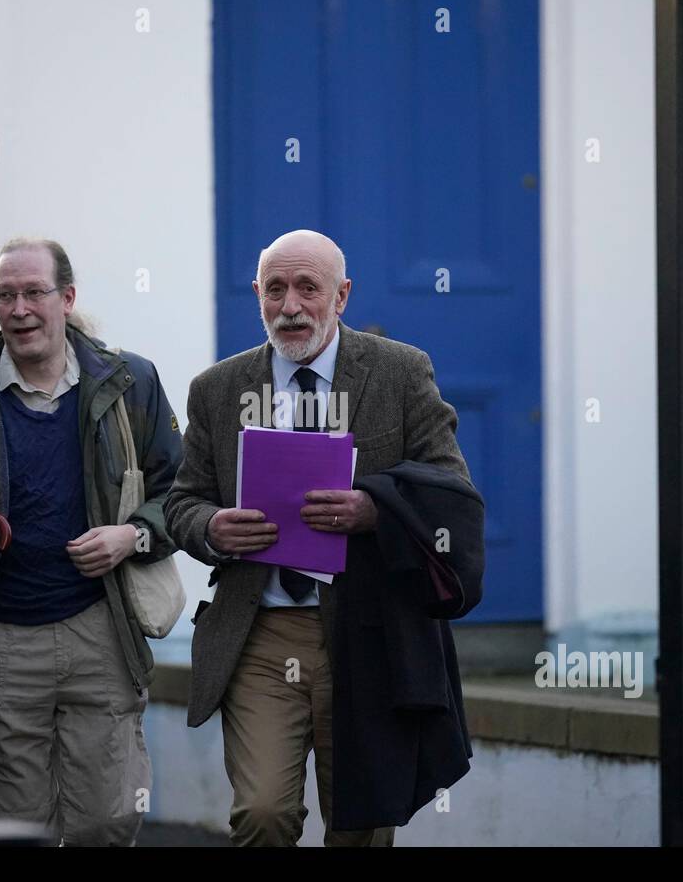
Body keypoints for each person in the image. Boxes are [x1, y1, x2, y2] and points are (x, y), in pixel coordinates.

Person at [165, 228, 482, 846]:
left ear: (342, 296)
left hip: (366, 632)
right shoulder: (217, 389)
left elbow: (450, 489)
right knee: (262, 813)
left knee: (359, 826)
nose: (290, 307)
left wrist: (373, 509)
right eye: (275, 289)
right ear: (256, 294)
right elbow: (182, 501)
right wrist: (211, 527)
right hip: (260, 631)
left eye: (308, 288)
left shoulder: (400, 372)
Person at [0, 237, 183, 845]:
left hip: (100, 628)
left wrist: (133, 536)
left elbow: (180, 494)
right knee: (16, 830)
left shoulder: (129, 384)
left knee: (107, 817)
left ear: (67, 299)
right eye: (5, 296)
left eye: (34, 293)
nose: (19, 309)